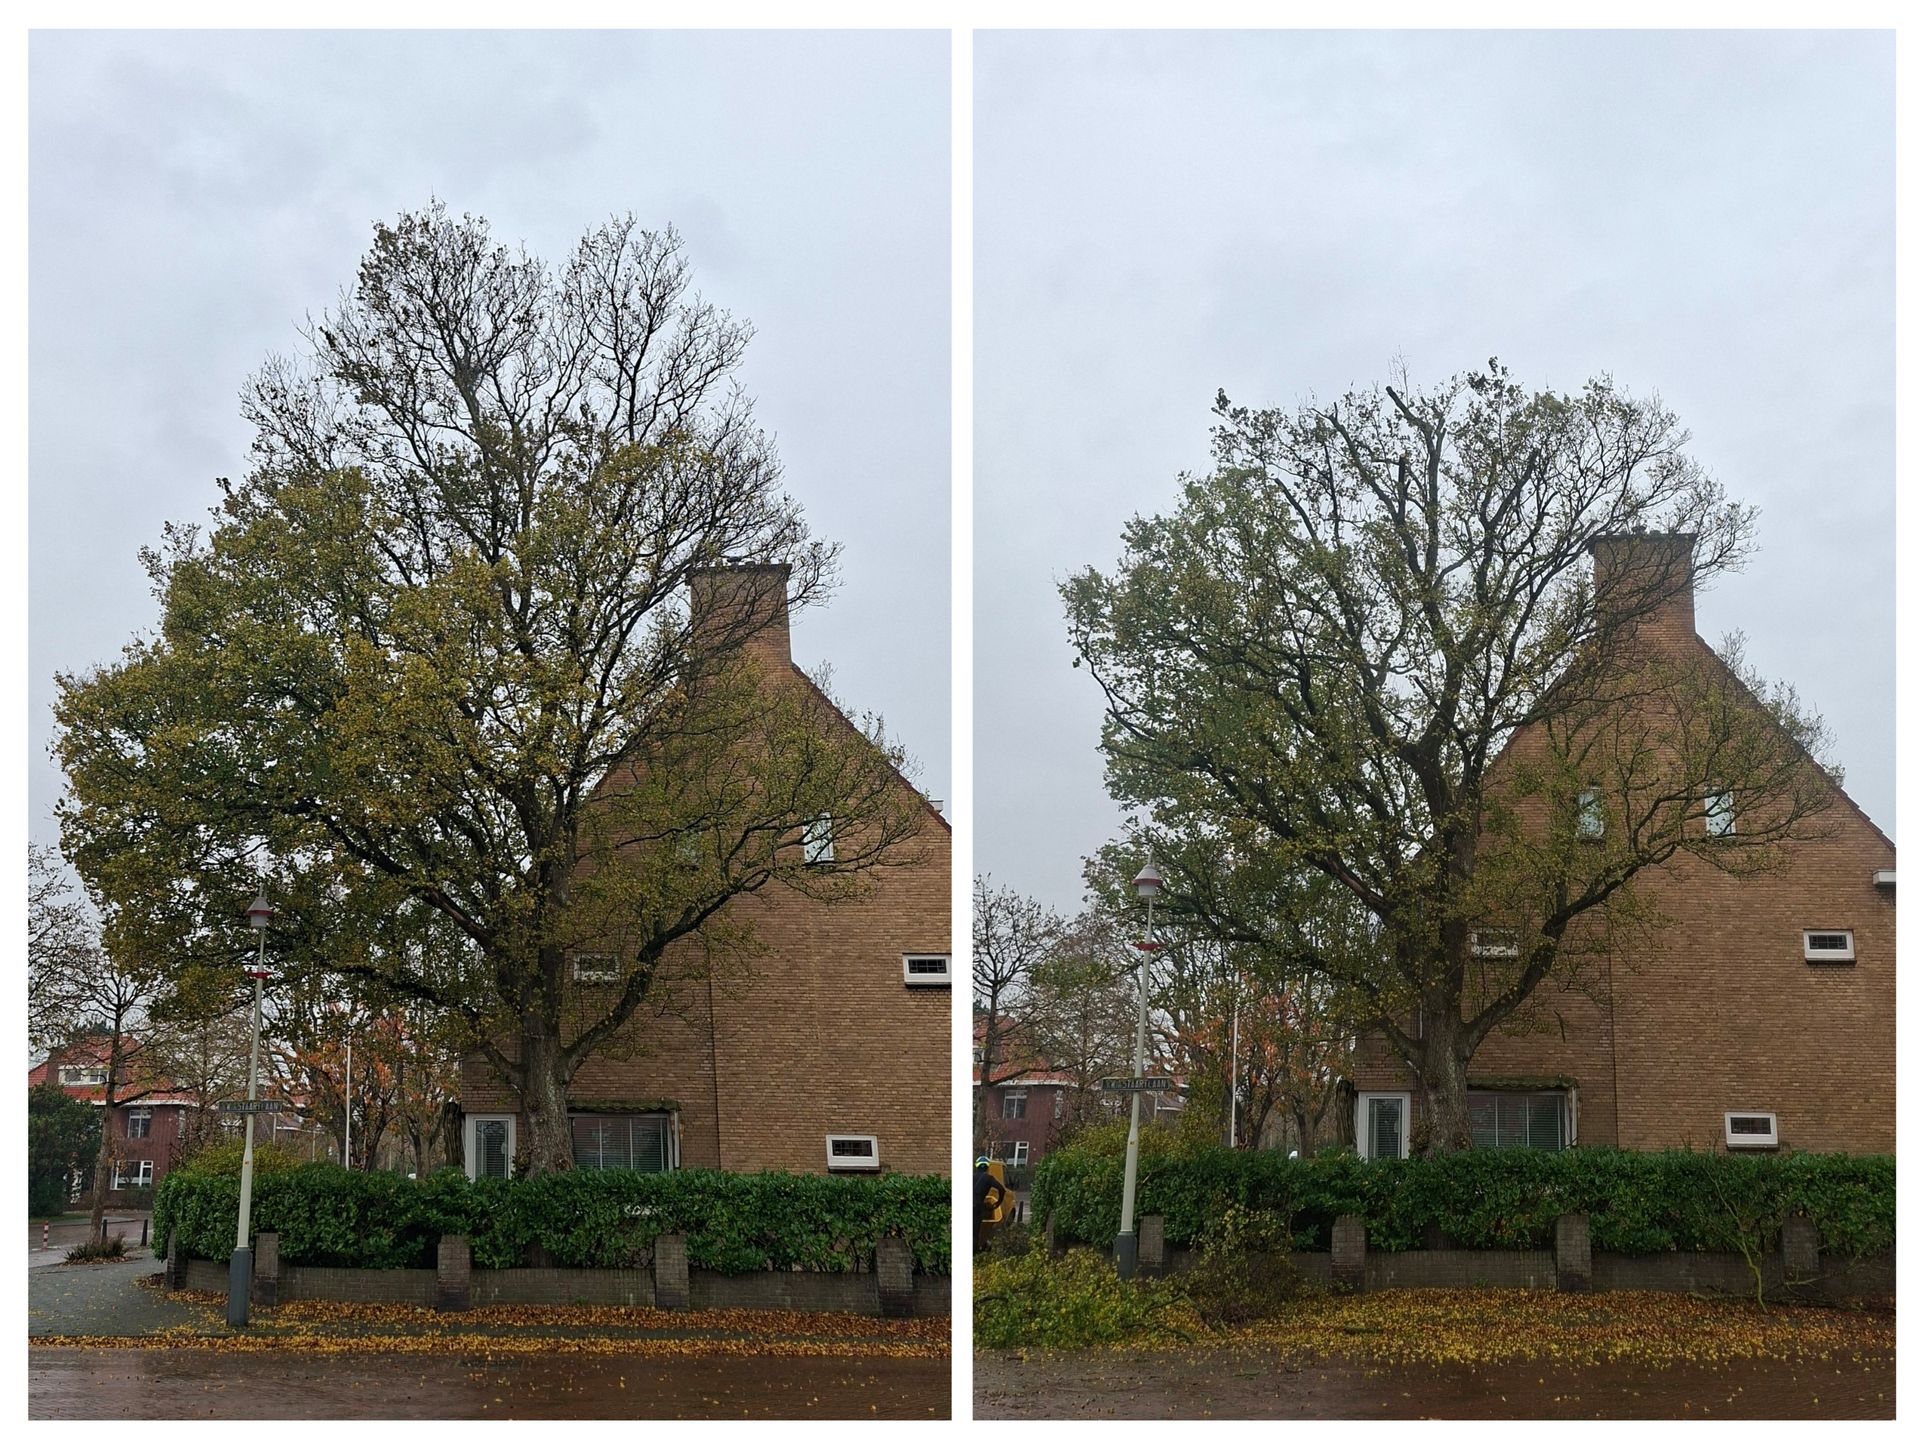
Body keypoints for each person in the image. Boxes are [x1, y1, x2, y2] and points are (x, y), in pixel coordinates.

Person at [973, 1156, 1006, 1255]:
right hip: (976, 1207)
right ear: (987, 1168)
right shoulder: (988, 1178)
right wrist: (998, 1202)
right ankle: (973, 1254)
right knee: (974, 1233)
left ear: (976, 1167)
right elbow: (1001, 1189)